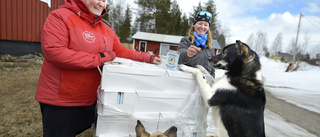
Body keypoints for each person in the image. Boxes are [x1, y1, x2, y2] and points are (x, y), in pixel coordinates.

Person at [35, 0, 161, 136]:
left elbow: (121, 51)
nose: (102, 4)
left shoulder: (106, 28)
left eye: (105, 1)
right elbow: (54, 52)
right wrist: (100, 58)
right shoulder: (60, 16)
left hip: (90, 100)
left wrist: (149, 58)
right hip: (61, 102)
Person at [177, 11, 216, 78]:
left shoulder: (210, 46)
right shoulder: (186, 41)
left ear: (208, 28)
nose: (202, 27)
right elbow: (178, 57)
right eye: (200, 23)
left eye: (206, 25)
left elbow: (212, 69)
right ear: (194, 25)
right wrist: (187, 54)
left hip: (205, 83)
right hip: (189, 81)